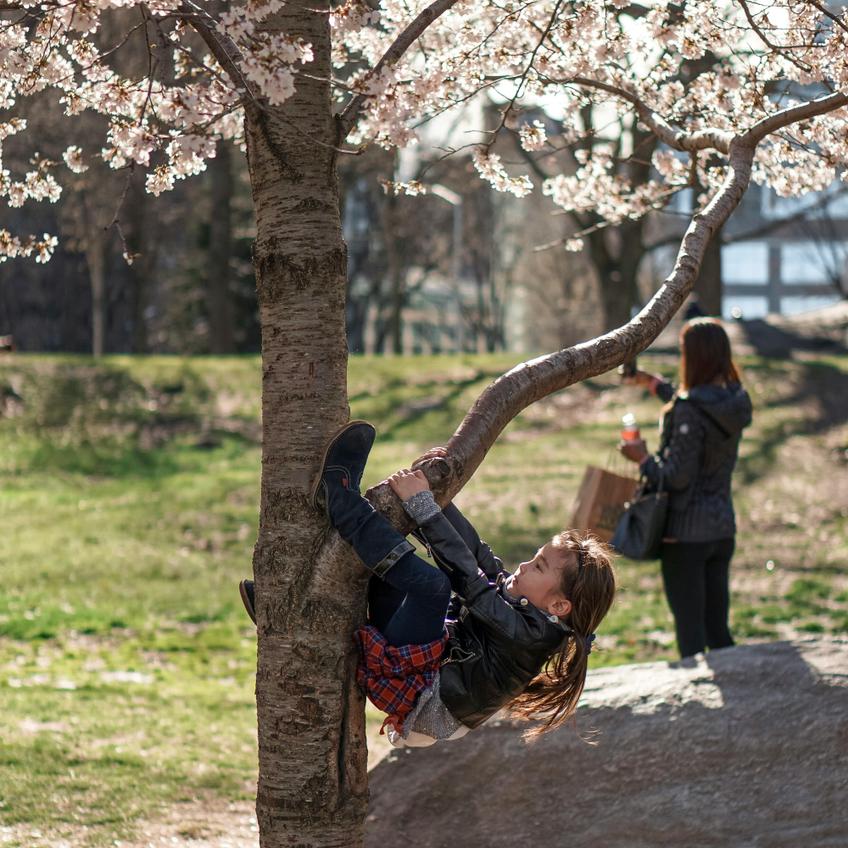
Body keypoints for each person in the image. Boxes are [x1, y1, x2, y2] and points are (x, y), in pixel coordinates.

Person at [240, 421, 616, 747]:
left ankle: (338, 497)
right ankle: (299, 620)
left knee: (433, 586)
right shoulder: (529, 609)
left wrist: (424, 506)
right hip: (431, 664)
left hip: (424, 697)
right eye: (534, 557)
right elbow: (481, 558)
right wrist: (438, 496)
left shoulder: (528, 636)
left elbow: (470, 582)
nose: (524, 565)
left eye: (538, 567)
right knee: (387, 581)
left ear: (559, 606)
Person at [619, 317, 752, 659]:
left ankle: (700, 710)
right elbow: (698, 409)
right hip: (721, 530)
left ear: (695, 357)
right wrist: (654, 384)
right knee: (718, 632)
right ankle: (743, 703)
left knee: (691, 637)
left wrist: (642, 458)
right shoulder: (735, 400)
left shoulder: (689, 411)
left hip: (685, 537)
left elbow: (677, 476)